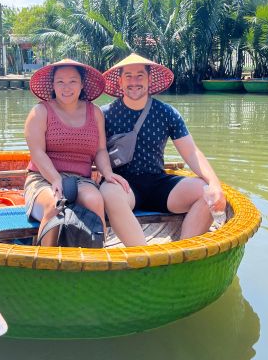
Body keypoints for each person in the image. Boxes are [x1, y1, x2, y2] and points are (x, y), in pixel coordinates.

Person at [100, 53, 226, 246]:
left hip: (159, 183)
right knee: (109, 192)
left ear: (149, 80)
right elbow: (93, 152)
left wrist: (215, 184)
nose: (134, 82)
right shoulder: (104, 115)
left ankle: (183, 254)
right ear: (120, 81)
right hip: (123, 185)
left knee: (205, 191)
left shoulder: (166, 113)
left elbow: (192, 152)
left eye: (140, 76)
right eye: (128, 76)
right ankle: (143, 257)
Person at [24, 58, 129, 246]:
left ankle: (94, 260)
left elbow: (101, 150)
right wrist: (56, 179)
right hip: (43, 177)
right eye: (60, 82)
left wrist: (108, 173)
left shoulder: (95, 112)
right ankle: (44, 264)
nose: (67, 87)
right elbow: (37, 153)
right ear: (53, 85)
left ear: (82, 85)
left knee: (96, 201)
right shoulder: (40, 112)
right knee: (55, 205)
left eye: (73, 81)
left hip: (81, 179)